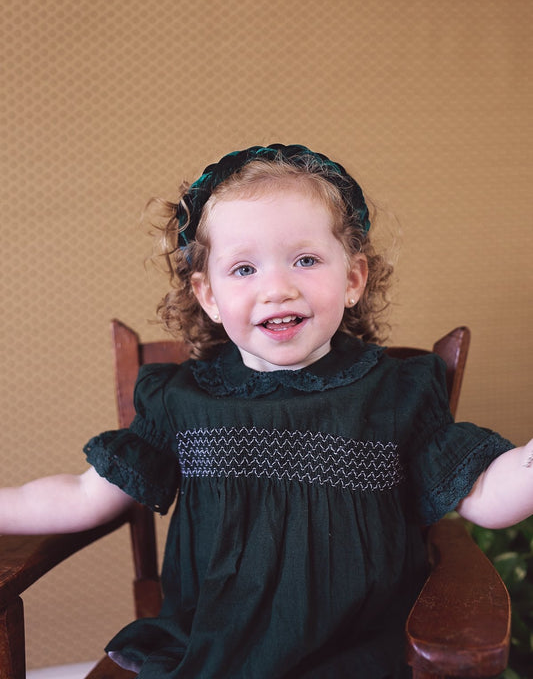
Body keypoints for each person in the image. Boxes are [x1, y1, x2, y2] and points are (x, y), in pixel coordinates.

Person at [1, 143, 532, 679]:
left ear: (353, 279)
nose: (277, 289)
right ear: (209, 295)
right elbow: (83, 496)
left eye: (306, 260)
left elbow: (486, 495)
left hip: (357, 655)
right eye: (244, 268)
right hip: (209, 655)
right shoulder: (181, 400)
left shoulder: (397, 392)